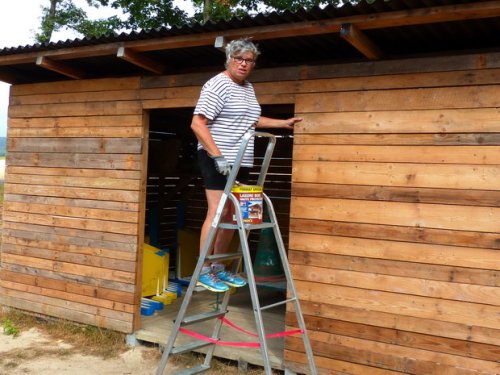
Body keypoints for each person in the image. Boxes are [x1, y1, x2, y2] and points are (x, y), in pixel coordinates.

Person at [190, 38, 302, 292]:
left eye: (249, 60)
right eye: (238, 59)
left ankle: (219, 267)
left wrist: (282, 123)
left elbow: (252, 119)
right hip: (216, 157)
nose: (243, 64)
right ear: (229, 59)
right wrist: (217, 156)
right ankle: (204, 269)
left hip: (240, 159)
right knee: (217, 211)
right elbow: (197, 123)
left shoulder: (247, 88)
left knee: (232, 214)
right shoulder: (217, 85)